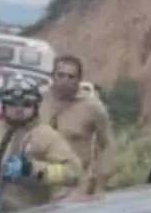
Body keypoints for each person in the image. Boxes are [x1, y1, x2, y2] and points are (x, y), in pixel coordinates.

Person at [0, 73, 83, 213]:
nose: (19, 109)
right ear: (3, 104)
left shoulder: (46, 135)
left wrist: (33, 169)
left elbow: (73, 171)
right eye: (12, 103)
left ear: (36, 105)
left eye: (26, 104)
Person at [37, 54, 115, 195]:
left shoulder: (92, 107)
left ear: (79, 80)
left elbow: (107, 145)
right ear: (52, 76)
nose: (65, 81)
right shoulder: (38, 102)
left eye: (71, 77)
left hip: (74, 186)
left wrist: (100, 184)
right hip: (39, 182)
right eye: (60, 75)